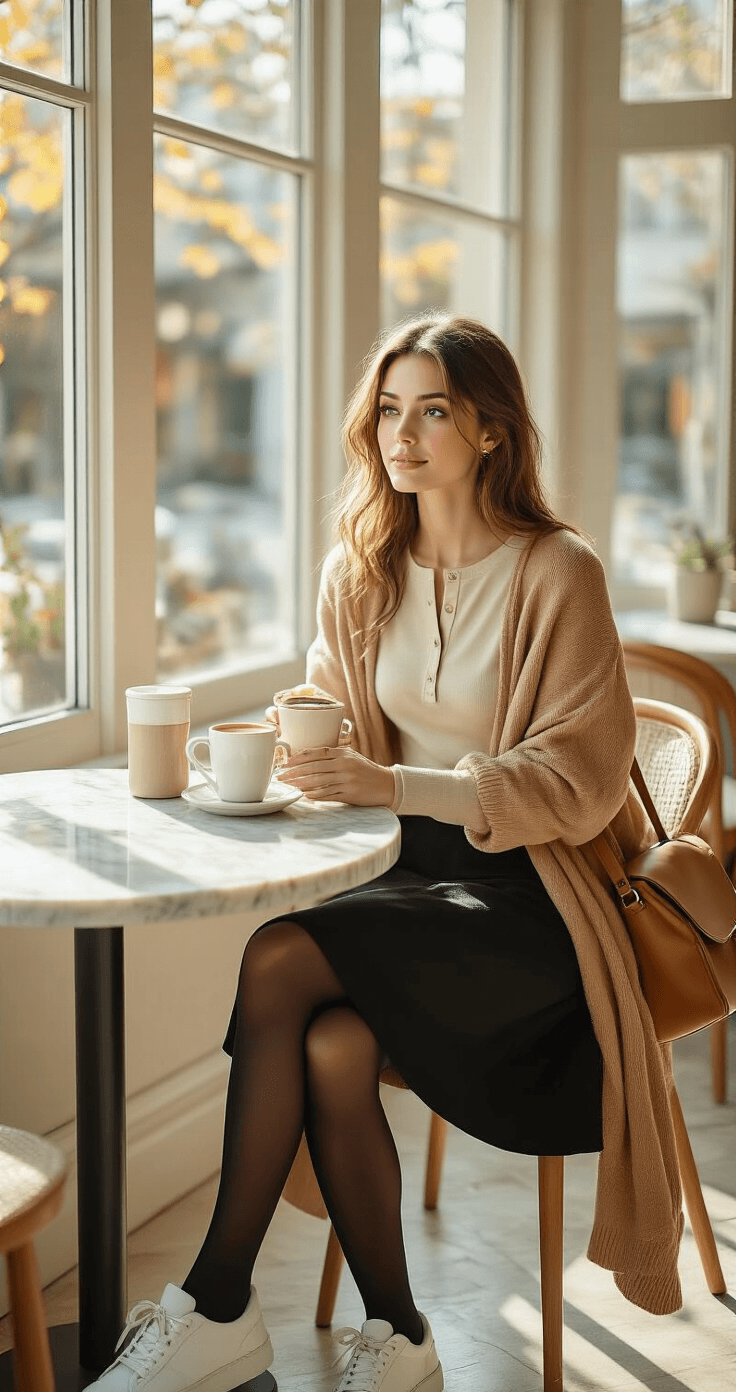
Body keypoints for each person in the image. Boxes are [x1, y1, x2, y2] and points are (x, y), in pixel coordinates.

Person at [89, 315, 684, 1392]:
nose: (399, 435)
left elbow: (579, 783)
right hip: (402, 882)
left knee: (278, 955)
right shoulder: (360, 568)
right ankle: (399, 1333)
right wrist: (319, 738)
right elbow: (350, 733)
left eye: (434, 410)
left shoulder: (559, 570)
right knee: (326, 1046)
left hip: (531, 905)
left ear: (491, 430)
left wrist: (392, 784)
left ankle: (216, 1305)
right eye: (389, 410)